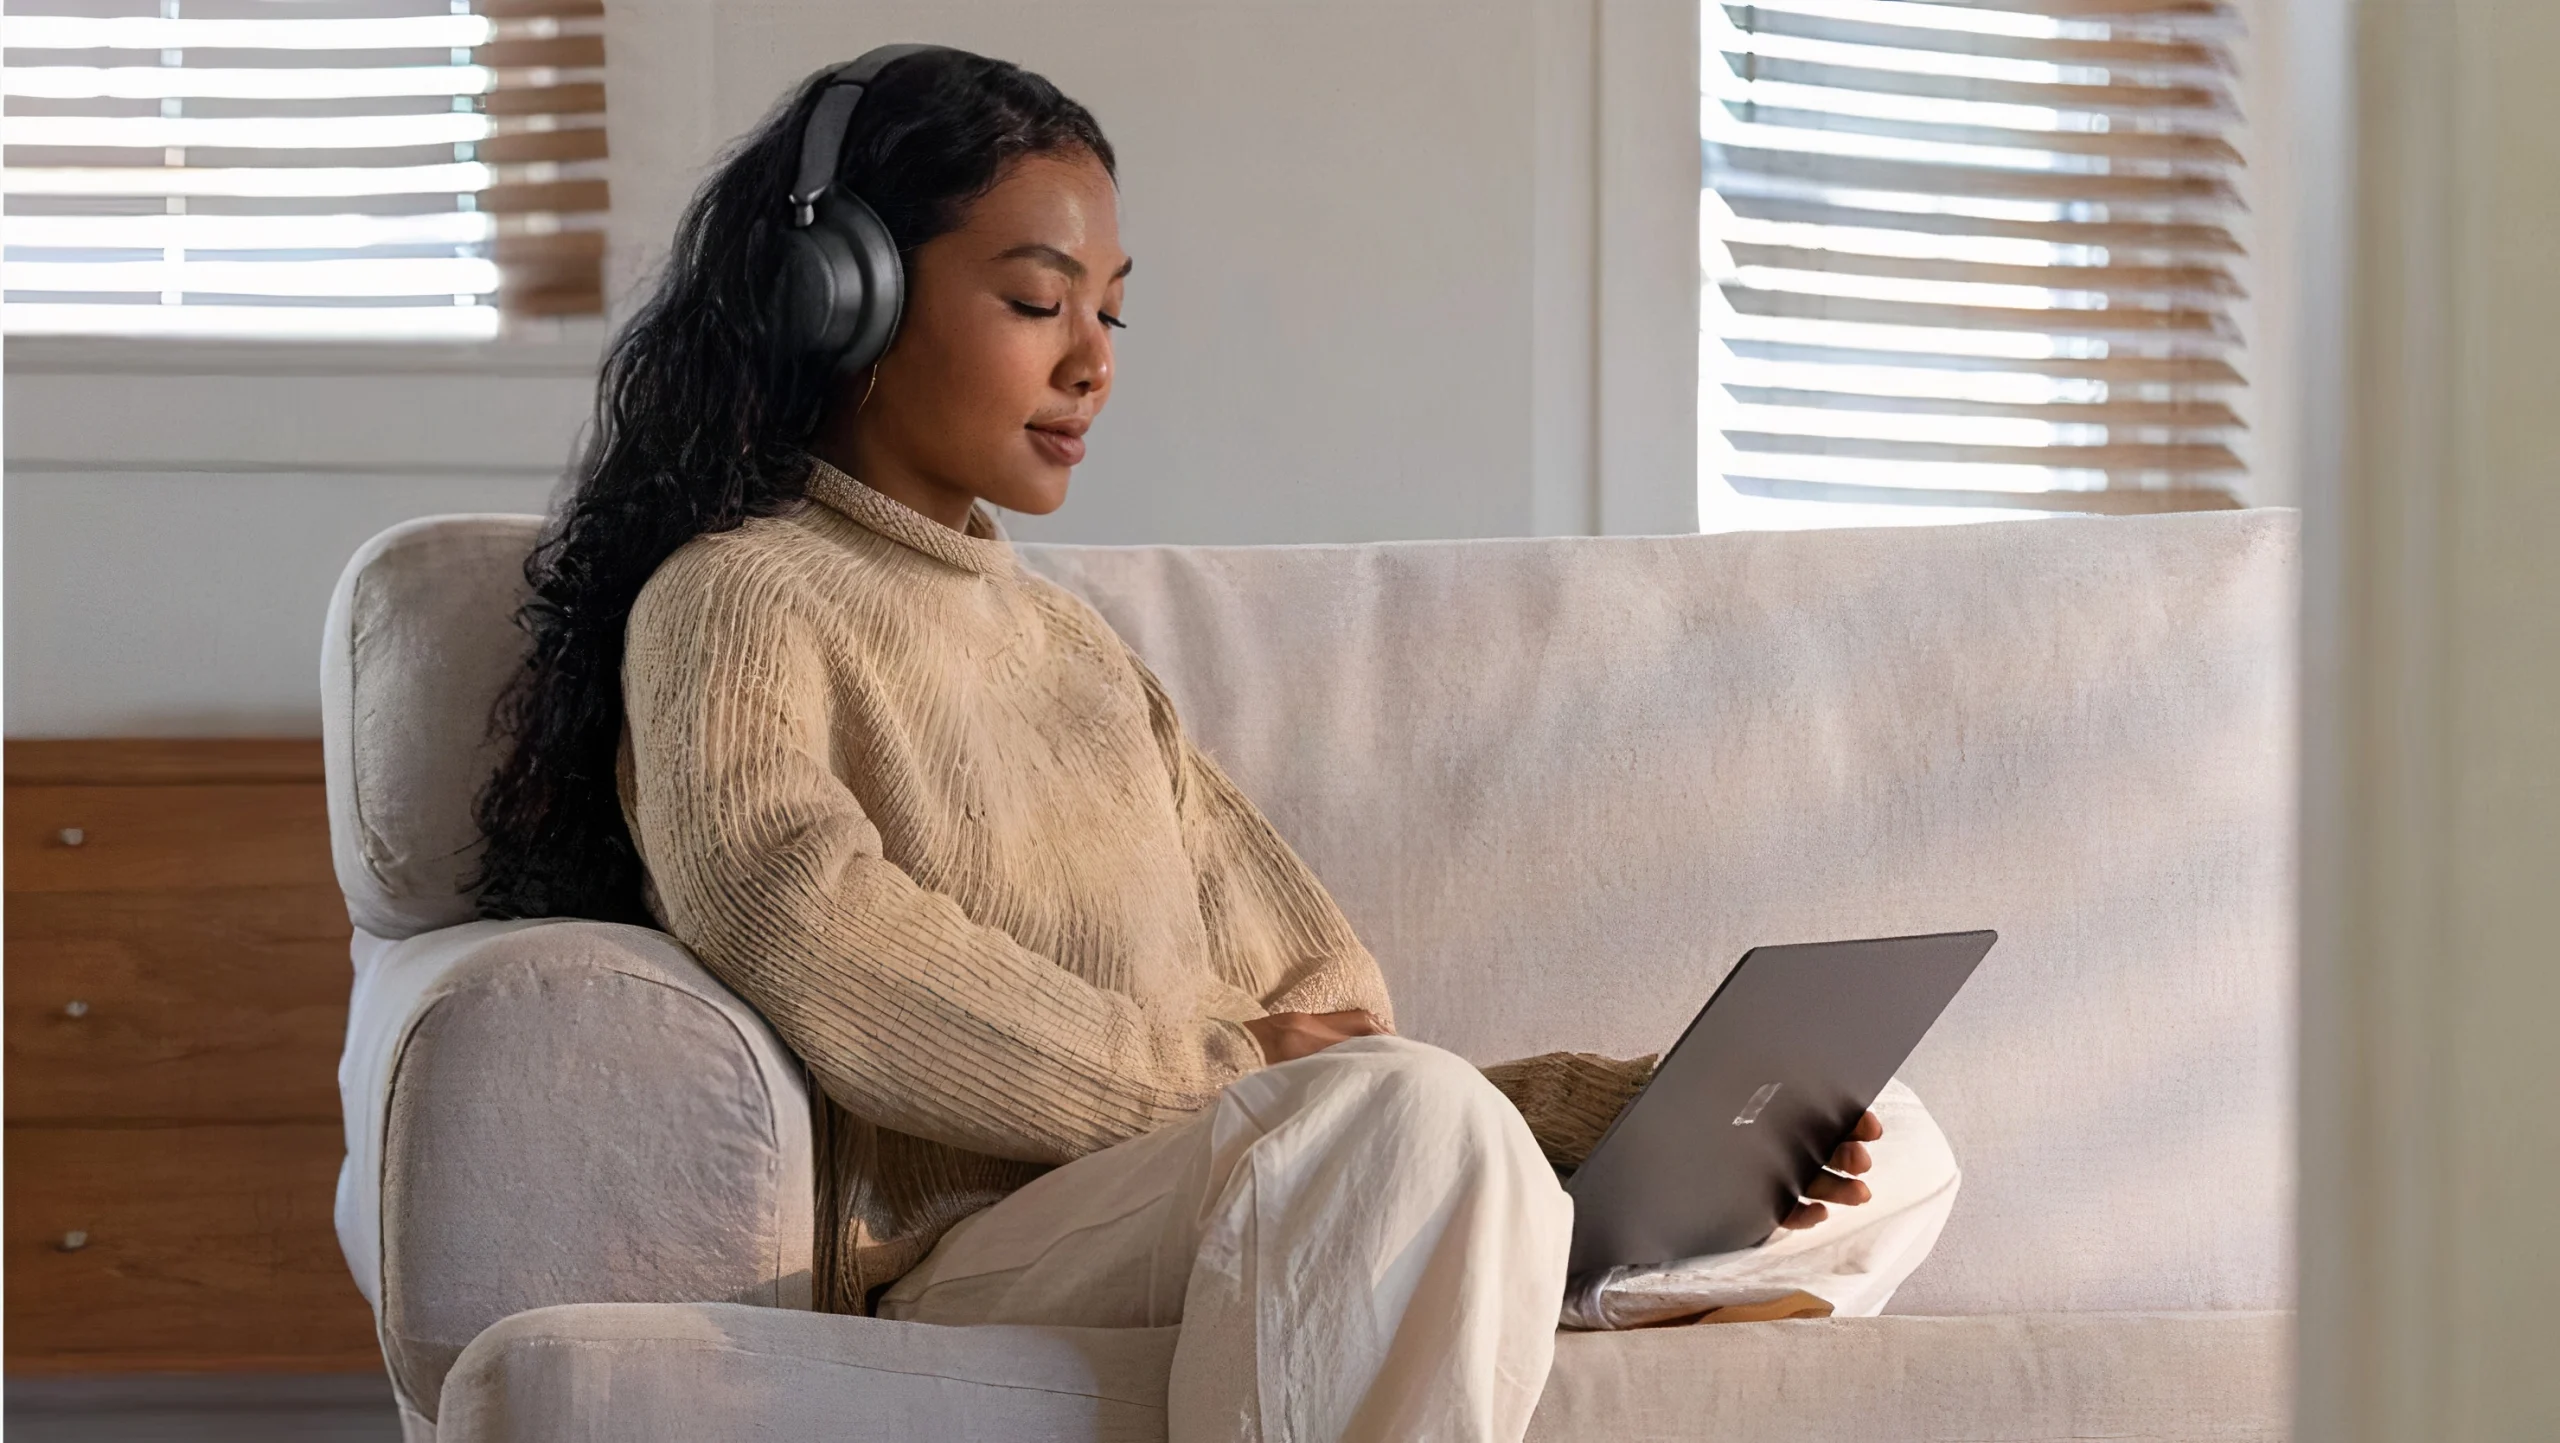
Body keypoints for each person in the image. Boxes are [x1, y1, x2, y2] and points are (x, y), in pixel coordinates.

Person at [470, 46, 1953, 1443]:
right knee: (1411, 1137)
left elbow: (1329, 1021)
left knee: (1887, 1151)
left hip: (1246, 1172)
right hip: (985, 1238)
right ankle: (1470, 1265)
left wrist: (1594, 1109)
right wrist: (1218, 1073)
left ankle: (1487, 1271)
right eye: (1039, 301)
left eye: (1111, 312)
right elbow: (800, 921)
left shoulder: (1073, 647)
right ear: (838, 295)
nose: (1092, 361)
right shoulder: (736, 596)